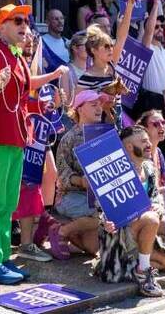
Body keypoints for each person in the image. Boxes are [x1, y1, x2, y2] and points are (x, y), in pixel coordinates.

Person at [0, 4, 66, 284]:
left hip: (15, 139)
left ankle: (1, 259)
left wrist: (51, 78)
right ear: (1, 26)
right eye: (18, 20)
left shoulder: (16, 57)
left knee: (7, 203)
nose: (25, 25)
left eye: (27, 21)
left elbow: (25, 91)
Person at [94, 126, 165, 295]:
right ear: (130, 147)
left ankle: (131, 264)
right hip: (119, 235)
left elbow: (156, 198)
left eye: (148, 140)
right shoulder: (115, 170)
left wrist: (158, 206)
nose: (149, 144)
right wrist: (106, 221)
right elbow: (101, 206)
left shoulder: (148, 167)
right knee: (152, 219)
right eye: (143, 141)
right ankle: (142, 272)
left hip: (142, 229)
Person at [49, 90, 105, 260]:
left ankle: (71, 232)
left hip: (95, 199)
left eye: (100, 104)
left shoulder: (105, 134)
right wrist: (81, 181)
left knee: (93, 248)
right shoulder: (69, 138)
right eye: (93, 104)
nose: (99, 108)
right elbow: (62, 174)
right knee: (104, 214)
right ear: (79, 109)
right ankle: (62, 231)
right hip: (71, 197)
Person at [76, 0, 134, 128]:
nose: (111, 49)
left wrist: (129, 7)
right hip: (97, 127)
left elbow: (122, 37)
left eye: (110, 46)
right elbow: (77, 107)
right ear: (94, 50)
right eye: (106, 46)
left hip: (116, 123)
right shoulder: (86, 78)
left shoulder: (112, 64)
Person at [139, 1, 165, 114]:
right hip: (151, 102)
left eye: (162, 26)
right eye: (156, 27)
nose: (160, 29)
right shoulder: (146, 48)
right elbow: (148, 33)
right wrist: (155, 3)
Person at [137, 110, 165, 186]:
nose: (162, 126)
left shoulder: (158, 151)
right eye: (156, 124)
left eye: (163, 122)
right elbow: (148, 191)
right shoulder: (140, 154)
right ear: (145, 129)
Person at [60, 31, 88, 108]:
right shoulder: (66, 71)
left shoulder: (93, 69)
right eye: (86, 45)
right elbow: (66, 104)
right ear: (75, 48)